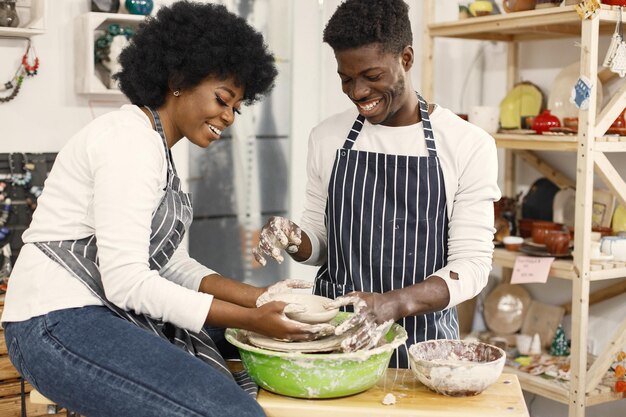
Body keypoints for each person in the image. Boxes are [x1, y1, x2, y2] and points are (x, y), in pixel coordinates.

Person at [1, 3, 330, 417]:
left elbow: (173, 267)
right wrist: (256, 319)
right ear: (179, 79)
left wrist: (261, 298)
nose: (229, 117)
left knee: (268, 349)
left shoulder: (156, 147)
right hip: (54, 322)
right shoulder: (129, 142)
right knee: (228, 411)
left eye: (237, 108)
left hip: (98, 310)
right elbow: (127, 283)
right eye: (223, 99)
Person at [253, 0, 501, 368]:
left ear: (406, 58)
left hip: (423, 351)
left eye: (372, 76)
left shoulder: (467, 144)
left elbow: (472, 265)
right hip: (337, 341)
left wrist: (392, 303)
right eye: (346, 78)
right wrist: (294, 236)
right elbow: (321, 246)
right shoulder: (327, 137)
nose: (357, 92)